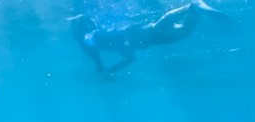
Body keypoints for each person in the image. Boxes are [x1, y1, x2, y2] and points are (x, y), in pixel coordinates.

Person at [72, 0, 228, 79]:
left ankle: (193, 7)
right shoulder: (115, 41)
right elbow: (130, 57)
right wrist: (111, 69)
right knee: (182, 30)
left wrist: (109, 69)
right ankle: (195, 7)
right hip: (151, 36)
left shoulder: (110, 41)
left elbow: (129, 57)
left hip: (150, 36)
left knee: (171, 28)